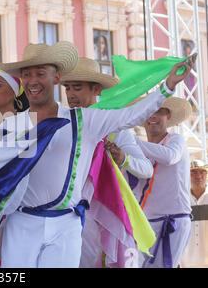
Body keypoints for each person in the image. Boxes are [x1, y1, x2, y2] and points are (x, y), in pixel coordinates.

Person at [0, 42, 196, 268]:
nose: (33, 80)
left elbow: (131, 115)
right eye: (27, 74)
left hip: (70, 222)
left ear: (55, 77)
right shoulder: (10, 126)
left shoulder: (84, 121)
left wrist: (167, 87)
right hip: (21, 222)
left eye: (40, 73)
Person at [60, 57, 154, 268]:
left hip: (103, 214)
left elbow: (146, 168)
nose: (71, 94)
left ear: (96, 90)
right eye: (67, 88)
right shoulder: (62, 124)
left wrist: (123, 158)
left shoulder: (113, 127)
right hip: (67, 213)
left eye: (77, 88)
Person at [132, 96, 194, 268]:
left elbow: (169, 157)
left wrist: (132, 142)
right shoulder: (139, 149)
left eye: (158, 111)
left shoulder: (176, 140)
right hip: (145, 223)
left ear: (168, 116)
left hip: (172, 221)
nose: (152, 116)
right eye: (148, 111)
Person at [179, 160, 208, 268]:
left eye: (202, 172)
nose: (198, 176)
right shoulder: (181, 199)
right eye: (194, 172)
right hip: (185, 262)